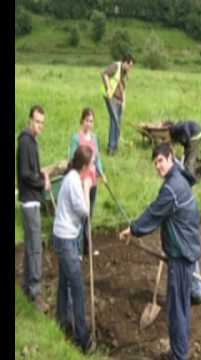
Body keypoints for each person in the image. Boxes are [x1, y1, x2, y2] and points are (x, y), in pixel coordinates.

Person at [119, 143, 201, 360]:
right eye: (155, 163)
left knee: (176, 309)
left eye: (161, 161)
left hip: (182, 254)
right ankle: (180, 350)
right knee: (182, 304)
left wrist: (133, 229)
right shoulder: (180, 178)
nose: (158, 166)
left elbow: (155, 212)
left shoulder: (172, 188)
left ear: (171, 158)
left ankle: (178, 355)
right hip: (186, 249)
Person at [53, 145, 95, 353]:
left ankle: (61, 322)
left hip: (62, 237)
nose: (93, 166)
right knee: (77, 288)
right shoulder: (74, 182)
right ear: (85, 165)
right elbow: (84, 211)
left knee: (64, 282)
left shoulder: (70, 176)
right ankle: (83, 339)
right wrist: (87, 187)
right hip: (66, 240)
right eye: (92, 163)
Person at [16, 105, 51, 313]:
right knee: (36, 246)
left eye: (42, 123)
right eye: (37, 121)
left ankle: (27, 286)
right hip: (30, 200)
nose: (39, 125)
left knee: (31, 244)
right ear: (30, 120)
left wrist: (42, 173)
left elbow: (32, 171)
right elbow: (25, 174)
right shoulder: (26, 141)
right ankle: (36, 292)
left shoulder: (30, 141)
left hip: (31, 199)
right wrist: (42, 182)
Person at [69, 107, 107, 256]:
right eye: (87, 120)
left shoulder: (94, 138)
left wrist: (102, 173)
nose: (89, 124)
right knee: (81, 213)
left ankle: (87, 247)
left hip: (92, 181)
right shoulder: (76, 138)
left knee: (89, 214)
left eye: (91, 121)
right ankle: (78, 248)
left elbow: (97, 159)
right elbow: (73, 159)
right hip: (81, 181)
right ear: (82, 120)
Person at [101, 53, 135, 155]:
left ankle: (115, 147)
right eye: (129, 66)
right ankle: (111, 148)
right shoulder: (115, 66)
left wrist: (124, 101)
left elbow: (124, 88)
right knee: (114, 121)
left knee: (118, 122)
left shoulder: (125, 72)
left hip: (119, 99)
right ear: (125, 62)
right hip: (111, 97)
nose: (130, 68)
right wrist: (109, 88)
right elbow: (104, 74)